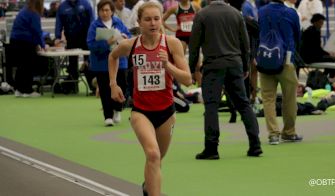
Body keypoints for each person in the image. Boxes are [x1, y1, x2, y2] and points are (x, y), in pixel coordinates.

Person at [108, 2, 192, 195]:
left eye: (156, 19)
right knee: (153, 155)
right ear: (139, 22)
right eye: (148, 19)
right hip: (141, 111)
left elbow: (187, 80)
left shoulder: (172, 44)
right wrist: (113, 84)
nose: (153, 23)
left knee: (156, 160)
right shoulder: (131, 45)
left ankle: (148, 187)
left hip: (166, 113)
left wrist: (167, 65)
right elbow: (112, 57)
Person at [189, 0, 263, 159]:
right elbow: (245, 44)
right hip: (235, 64)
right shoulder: (236, 14)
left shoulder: (202, 14)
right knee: (243, 104)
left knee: (211, 107)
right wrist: (245, 67)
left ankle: (211, 148)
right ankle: (255, 144)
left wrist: (191, 69)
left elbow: (194, 46)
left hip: (213, 65)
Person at [258, 0, 303, 145]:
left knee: (268, 98)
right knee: (289, 97)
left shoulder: (261, 12)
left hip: (265, 58)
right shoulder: (291, 13)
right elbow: (297, 37)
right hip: (286, 60)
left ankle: (273, 134)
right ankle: (289, 132)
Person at [87, 0, 131, 126]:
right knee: (105, 89)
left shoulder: (119, 23)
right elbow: (90, 44)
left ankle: (118, 109)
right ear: (98, 11)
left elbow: (127, 35)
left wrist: (124, 38)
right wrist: (107, 43)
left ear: (112, 11)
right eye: (102, 10)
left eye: (107, 10)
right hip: (101, 63)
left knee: (121, 85)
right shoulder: (94, 26)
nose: (105, 13)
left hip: (120, 62)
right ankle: (108, 116)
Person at [55, 0, 94, 93]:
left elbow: (92, 20)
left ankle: (93, 87)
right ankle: (73, 87)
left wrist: (92, 35)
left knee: (88, 62)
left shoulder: (86, 4)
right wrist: (57, 37)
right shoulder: (62, 7)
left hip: (86, 36)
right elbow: (58, 23)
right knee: (72, 63)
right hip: (71, 37)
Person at [10, 0, 45, 98]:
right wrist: (43, 45)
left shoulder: (24, 10)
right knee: (29, 65)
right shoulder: (34, 13)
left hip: (15, 41)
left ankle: (19, 89)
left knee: (21, 66)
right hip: (24, 42)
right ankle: (27, 90)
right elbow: (37, 31)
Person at [300, 13, 335, 80]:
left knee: (330, 59)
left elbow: (317, 49)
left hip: (308, 56)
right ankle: (329, 79)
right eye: (320, 23)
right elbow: (317, 49)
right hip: (309, 57)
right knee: (332, 60)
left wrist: (327, 54)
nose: (321, 25)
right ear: (315, 22)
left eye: (322, 23)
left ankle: (325, 77)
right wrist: (328, 54)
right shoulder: (313, 32)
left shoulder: (310, 30)